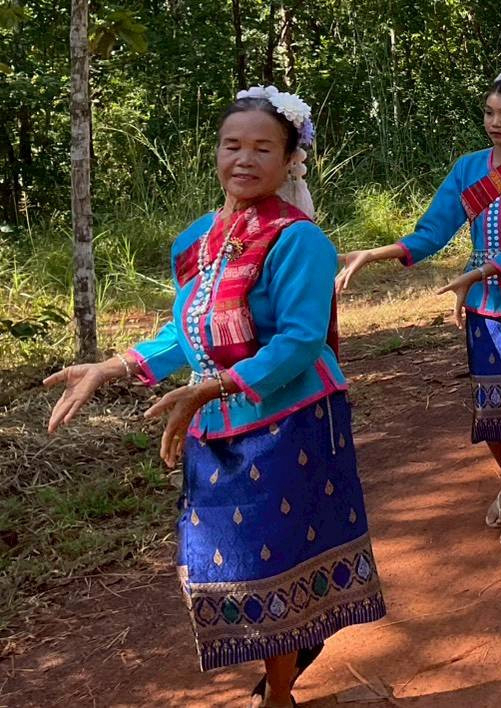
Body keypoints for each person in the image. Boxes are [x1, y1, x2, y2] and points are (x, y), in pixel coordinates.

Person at [46, 89, 385, 708]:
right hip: (212, 428)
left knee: (277, 567)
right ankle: (277, 684)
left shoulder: (300, 240)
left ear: (289, 163)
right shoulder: (197, 241)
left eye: (263, 148)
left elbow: (302, 341)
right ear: (217, 153)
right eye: (233, 145)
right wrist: (113, 365)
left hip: (290, 423)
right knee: (226, 567)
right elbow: (187, 332)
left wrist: (222, 384)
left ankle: (278, 694)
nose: (245, 159)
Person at [336, 69, 501, 545]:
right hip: (484, 304)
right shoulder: (467, 168)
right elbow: (432, 231)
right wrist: (374, 254)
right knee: (490, 405)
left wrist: (477, 274)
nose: (495, 121)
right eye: (489, 112)